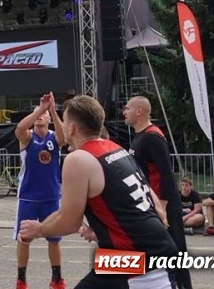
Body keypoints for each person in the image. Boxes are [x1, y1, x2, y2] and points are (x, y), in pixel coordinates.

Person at [20, 95, 177, 288]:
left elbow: (70, 222)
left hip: (139, 260)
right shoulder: (116, 148)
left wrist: (40, 230)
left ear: (72, 128)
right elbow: (153, 204)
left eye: (65, 120)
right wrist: (105, 231)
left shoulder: (78, 159)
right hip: (136, 253)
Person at [123, 96, 191, 289]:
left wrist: (162, 208)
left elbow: (166, 174)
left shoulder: (152, 136)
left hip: (164, 206)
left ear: (139, 111)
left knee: (176, 253)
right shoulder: (138, 137)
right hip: (148, 205)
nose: (124, 112)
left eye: (127, 108)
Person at [13, 93, 65, 289]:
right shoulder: (28, 137)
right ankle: (21, 280)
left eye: (44, 114)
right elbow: (19, 128)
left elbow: (64, 137)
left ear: (50, 119)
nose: (40, 116)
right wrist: (40, 109)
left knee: (54, 239)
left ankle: (57, 278)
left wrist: (51, 108)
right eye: (37, 113)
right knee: (24, 239)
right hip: (29, 197)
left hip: (51, 196)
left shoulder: (53, 138)